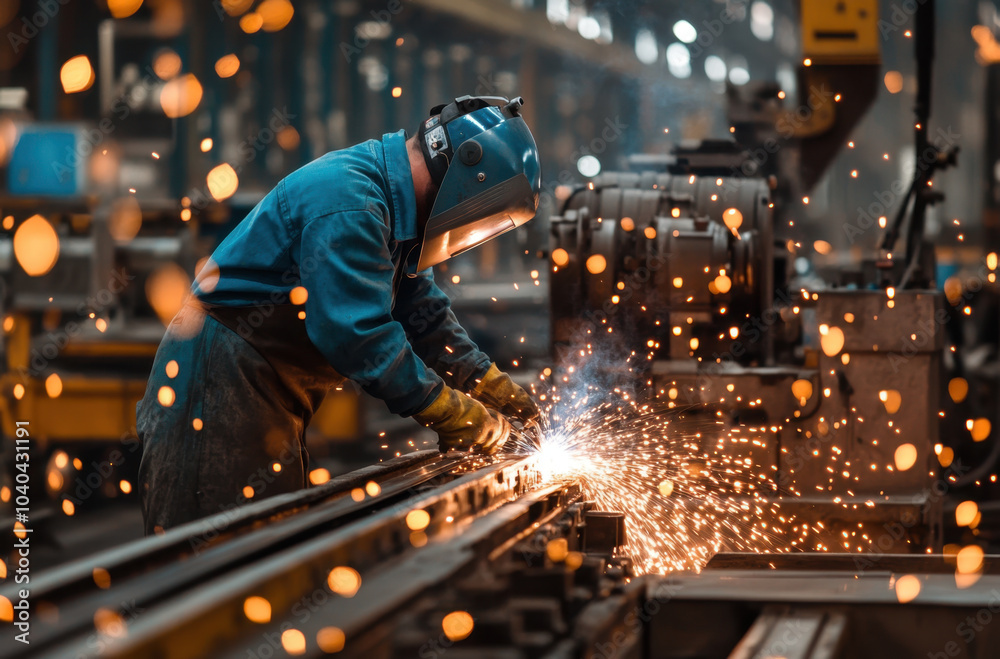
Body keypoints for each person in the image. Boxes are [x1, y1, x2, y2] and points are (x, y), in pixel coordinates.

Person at [136, 95, 541, 534]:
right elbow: (357, 334)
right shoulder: (353, 202)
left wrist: (485, 381)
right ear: (468, 173)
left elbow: (420, 310)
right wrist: (445, 409)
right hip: (217, 381)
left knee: (267, 543)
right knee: (218, 558)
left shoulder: (390, 203)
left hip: (259, 382)